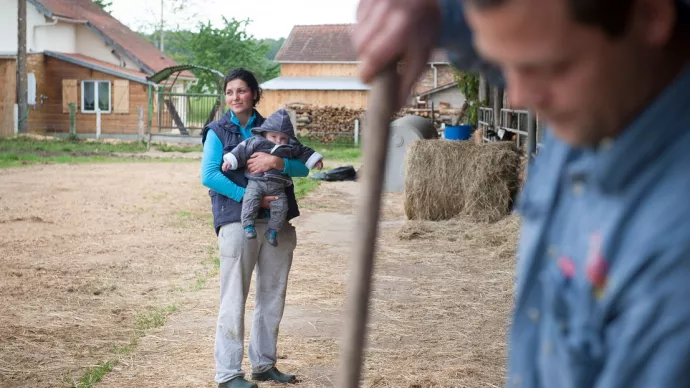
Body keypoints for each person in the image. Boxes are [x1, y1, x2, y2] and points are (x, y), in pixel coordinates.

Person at [354, 0, 690, 386]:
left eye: (546, 67)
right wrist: (429, 11)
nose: (517, 95)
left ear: (650, 15)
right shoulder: (600, 78)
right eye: (503, 64)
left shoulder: (673, 258)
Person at [201, 68, 307, 388]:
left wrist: (278, 163)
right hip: (237, 221)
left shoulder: (276, 127)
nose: (235, 97)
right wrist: (250, 198)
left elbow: (303, 165)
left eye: (242, 91)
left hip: (277, 222)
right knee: (234, 296)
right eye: (230, 91)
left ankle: (263, 364)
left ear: (254, 93)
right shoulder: (217, 131)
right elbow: (210, 175)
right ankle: (229, 374)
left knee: (273, 294)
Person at [222, 108, 324, 247]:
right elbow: (241, 150)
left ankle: (272, 231)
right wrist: (230, 161)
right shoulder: (256, 142)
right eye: (274, 137)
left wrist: (315, 160)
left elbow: (304, 152)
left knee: (281, 207)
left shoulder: (290, 148)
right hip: (256, 182)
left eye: (283, 138)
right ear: (265, 134)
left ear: (289, 138)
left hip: (278, 187)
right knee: (250, 200)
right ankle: (248, 226)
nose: (278, 141)